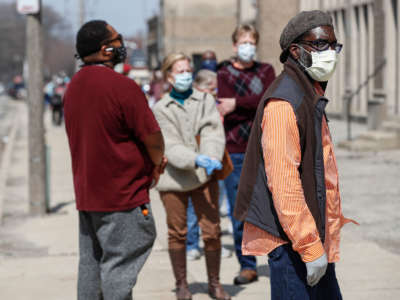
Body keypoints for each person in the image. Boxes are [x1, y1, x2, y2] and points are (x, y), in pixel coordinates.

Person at [234, 11, 358, 300]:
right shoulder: (285, 102)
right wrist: (310, 247)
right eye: (321, 44)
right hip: (294, 247)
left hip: (312, 239)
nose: (330, 53)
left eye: (333, 45)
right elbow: (285, 184)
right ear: (296, 51)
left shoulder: (309, 93)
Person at [63, 20, 166, 300]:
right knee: (118, 270)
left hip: (88, 196)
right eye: (117, 39)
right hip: (122, 195)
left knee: (92, 266)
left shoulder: (72, 87)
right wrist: (157, 163)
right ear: (106, 49)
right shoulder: (122, 87)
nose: (121, 45)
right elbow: (153, 138)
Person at [153, 53, 231, 300]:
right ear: (169, 77)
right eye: (179, 71)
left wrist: (210, 156)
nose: (185, 75)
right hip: (173, 178)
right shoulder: (160, 108)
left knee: (212, 230)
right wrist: (195, 159)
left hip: (205, 175)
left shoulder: (205, 99)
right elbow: (170, 144)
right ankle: (182, 285)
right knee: (177, 231)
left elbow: (212, 131)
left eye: (188, 70)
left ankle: (215, 284)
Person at [217, 24, 276, 285]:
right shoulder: (224, 74)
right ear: (234, 46)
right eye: (243, 42)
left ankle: (277, 258)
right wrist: (253, 104)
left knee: (271, 207)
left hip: (265, 148)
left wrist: (238, 104)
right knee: (239, 210)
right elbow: (224, 104)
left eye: (252, 42)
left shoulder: (266, 71)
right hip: (236, 150)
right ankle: (248, 265)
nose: (247, 47)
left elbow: (268, 98)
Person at [185, 69, 232, 261]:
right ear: (199, 87)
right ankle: (192, 245)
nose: (215, 92)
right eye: (211, 88)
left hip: (217, 161)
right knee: (192, 206)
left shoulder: (217, 105)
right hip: (197, 160)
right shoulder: (191, 105)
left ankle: (213, 244)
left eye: (216, 88)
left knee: (214, 206)